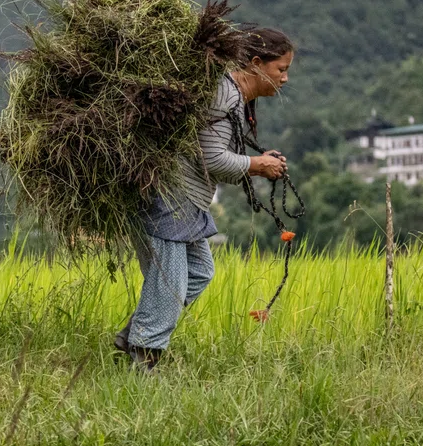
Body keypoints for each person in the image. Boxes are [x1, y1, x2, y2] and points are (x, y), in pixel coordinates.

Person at [115, 28, 295, 371]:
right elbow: (212, 159)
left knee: (199, 272)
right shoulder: (225, 96)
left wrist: (258, 161)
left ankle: (132, 337)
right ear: (257, 63)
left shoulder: (232, 96)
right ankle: (143, 363)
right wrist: (257, 165)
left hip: (185, 200)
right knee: (170, 284)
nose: (285, 78)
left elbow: (213, 150)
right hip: (168, 196)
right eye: (281, 69)